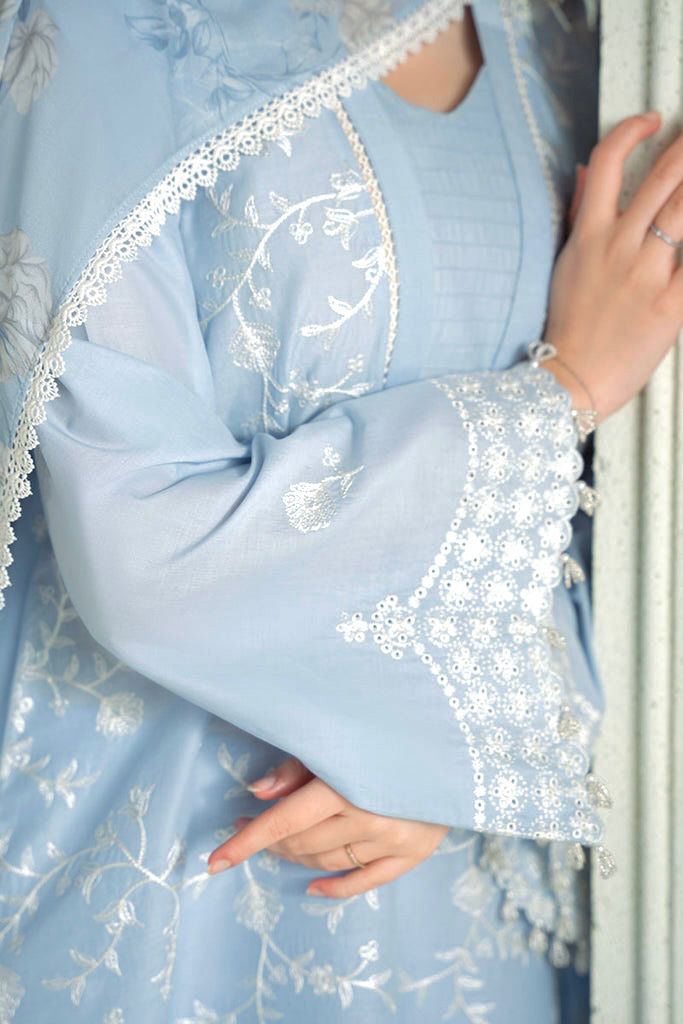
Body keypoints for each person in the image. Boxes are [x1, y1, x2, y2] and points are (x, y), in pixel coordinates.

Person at [1, 0, 681, 1020]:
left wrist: (452, 757)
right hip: (162, 882)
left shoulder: (569, 39)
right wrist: (563, 390)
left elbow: (604, 532)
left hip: (451, 906)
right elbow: (139, 544)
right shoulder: (108, 25)